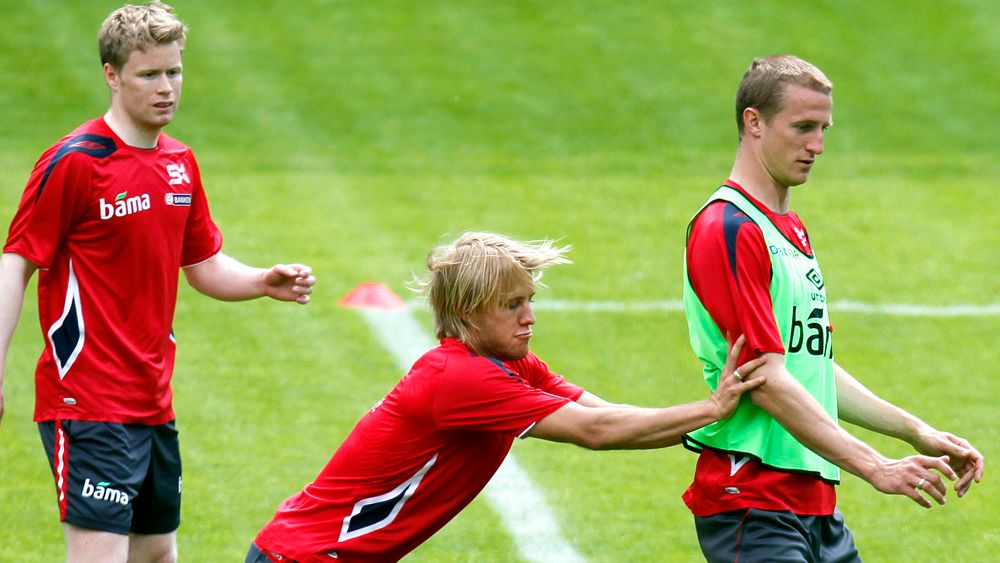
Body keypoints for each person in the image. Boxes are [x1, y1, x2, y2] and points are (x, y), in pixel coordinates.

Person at [0, 2, 315, 562]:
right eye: (149, 74)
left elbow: (203, 265)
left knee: (155, 555)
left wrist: (262, 281)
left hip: (152, 401)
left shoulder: (179, 163)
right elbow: (15, 263)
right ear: (112, 75)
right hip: (87, 400)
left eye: (174, 71)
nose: (166, 87)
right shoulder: (76, 161)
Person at [245, 231, 765, 563]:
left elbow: (605, 412)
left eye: (529, 301)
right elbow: (596, 432)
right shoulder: (460, 378)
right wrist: (712, 409)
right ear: (467, 313)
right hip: (306, 556)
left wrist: (713, 418)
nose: (529, 317)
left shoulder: (508, 363)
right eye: (511, 305)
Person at [681, 54, 985, 562]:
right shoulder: (729, 228)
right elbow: (764, 377)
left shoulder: (788, 229)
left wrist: (916, 431)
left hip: (813, 505)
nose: (817, 145)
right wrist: (875, 465)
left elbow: (812, 367)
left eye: (823, 129)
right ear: (754, 122)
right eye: (802, 127)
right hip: (752, 499)